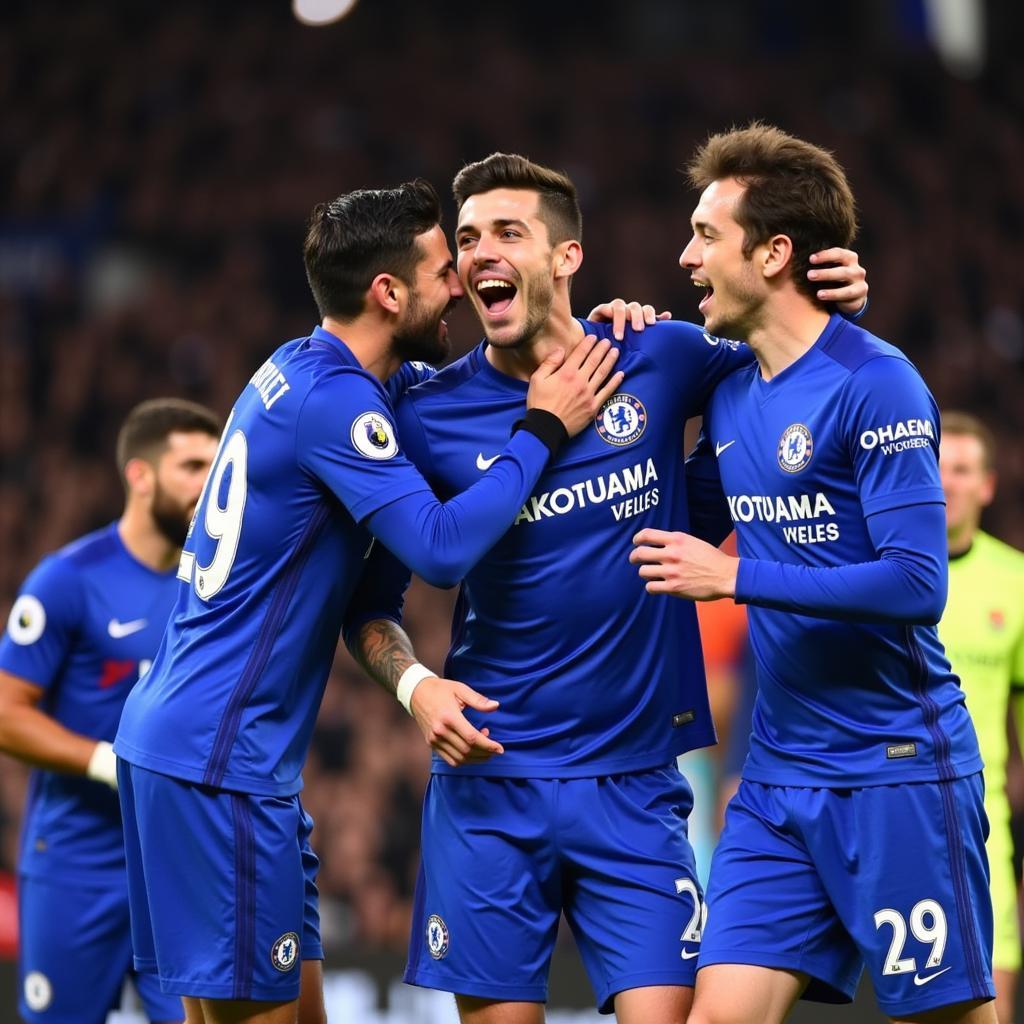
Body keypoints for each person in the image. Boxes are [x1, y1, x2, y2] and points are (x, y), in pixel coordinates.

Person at [334, 153, 866, 1024]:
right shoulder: (426, 413)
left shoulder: (658, 354)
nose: (480, 254)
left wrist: (842, 299)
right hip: (490, 784)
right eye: (467, 240)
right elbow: (369, 605)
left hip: (634, 783)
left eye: (508, 232)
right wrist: (414, 687)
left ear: (566, 258)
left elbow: (790, 360)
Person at [112, 178, 623, 1024]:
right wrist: (543, 426)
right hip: (216, 763)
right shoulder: (336, 404)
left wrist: (610, 316)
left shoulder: (299, 367)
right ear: (388, 293)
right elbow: (443, 549)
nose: (459, 280)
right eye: (438, 268)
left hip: (202, 752)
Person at [630, 123, 994, 1024]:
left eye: (706, 236)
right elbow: (671, 522)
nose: (686, 257)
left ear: (776, 252)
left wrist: (738, 580)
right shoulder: (730, 392)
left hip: (897, 767)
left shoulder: (879, 385)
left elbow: (917, 584)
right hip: (778, 777)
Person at [0, 398, 220, 1024]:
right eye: (191, 466)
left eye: (216, 465)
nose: (209, 484)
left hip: (176, 865)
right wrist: (103, 760)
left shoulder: (215, 587)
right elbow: (5, 713)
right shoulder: (67, 579)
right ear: (140, 476)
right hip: (77, 864)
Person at [939, 411, 1024, 1024]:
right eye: (938, 466)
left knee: (991, 1002)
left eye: (963, 470)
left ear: (987, 486)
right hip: (884, 807)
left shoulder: (1015, 583)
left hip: (984, 831)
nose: (947, 483)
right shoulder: (877, 572)